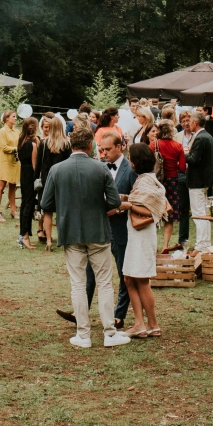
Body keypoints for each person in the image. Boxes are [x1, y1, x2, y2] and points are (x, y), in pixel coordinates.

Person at [39, 125, 131, 349]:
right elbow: (115, 202)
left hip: (70, 232)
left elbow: (45, 204)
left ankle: (83, 335)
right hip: (98, 231)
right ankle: (110, 333)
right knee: (105, 284)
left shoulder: (57, 170)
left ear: (72, 144)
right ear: (90, 145)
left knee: (78, 284)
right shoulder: (100, 169)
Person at [57, 130, 135, 330]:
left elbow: (136, 199)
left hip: (120, 228)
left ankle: (119, 315)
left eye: (108, 149)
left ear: (120, 147)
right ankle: (80, 313)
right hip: (97, 229)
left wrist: (118, 207)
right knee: (90, 272)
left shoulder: (130, 170)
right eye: (101, 149)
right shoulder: (97, 167)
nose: (104, 153)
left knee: (122, 272)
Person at [120, 143, 166, 338]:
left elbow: (151, 210)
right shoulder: (144, 180)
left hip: (143, 237)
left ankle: (151, 323)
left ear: (136, 162)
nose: (129, 161)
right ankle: (140, 323)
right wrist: (129, 198)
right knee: (129, 277)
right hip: (136, 236)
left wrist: (128, 205)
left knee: (141, 279)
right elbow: (142, 201)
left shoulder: (147, 182)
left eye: (131, 157)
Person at [183, 113, 213, 259]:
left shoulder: (201, 137)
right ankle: (206, 243)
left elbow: (193, 159)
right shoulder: (208, 136)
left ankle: (201, 245)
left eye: (190, 121)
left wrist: (183, 154)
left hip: (197, 180)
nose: (188, 123)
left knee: (198, 214)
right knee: (203, 212)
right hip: (205, 179)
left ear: (195, 122)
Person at [37, 116, 71, 251]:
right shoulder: (67, 144)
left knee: (47, 211)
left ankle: (49, 240)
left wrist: (35, 180)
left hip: (47, 180)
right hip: (63, 179)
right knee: (62, 211)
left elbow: (38, 165)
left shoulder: (44, 143)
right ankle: (62, 240)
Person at [153, 121, 185, 254]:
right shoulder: (178, 146)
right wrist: (175, 165)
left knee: (154, 213)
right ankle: (165, 245)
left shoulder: (153, 145)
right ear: (172, 131)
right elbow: (183, 168)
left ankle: (154, 244)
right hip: (172, 182)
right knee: (170, 216)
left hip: (156, 182)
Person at [15, 115, 38, 249]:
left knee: (25, 203)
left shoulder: (21, 142)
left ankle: (23, 234)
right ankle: (24, 236)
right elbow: (34, 165)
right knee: (28, 205)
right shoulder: (32, 144)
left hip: (23, 173)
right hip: (30, 176)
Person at [0, 110, 21, 223]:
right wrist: (16, 149)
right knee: (1, 185)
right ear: (7, 119)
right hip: (5, 161)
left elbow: (20, 144)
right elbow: (4, 147)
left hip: (15, 161)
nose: (15, 118)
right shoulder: (2, 131)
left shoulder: (17, 131)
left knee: (13, 186)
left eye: (16, 117)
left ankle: (13, 210)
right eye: (13, 117)